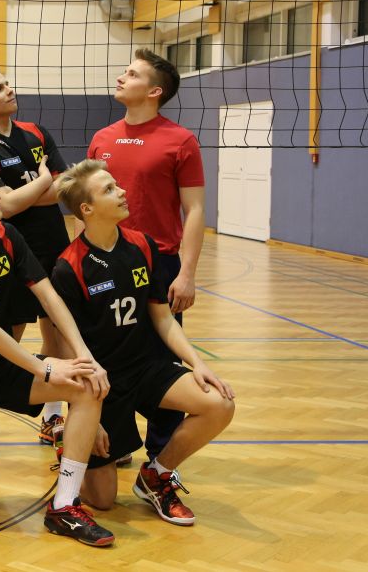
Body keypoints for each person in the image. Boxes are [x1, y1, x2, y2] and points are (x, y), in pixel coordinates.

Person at [0, 165, 115, 547]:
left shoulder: (7, 235)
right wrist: (44, 368)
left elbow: (48, 295)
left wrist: (84, 355)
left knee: (85, 385)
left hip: (3, 366)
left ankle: (64, 506)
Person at [51, 160, 234, 525]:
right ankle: (71, 446)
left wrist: (198, 364)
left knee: (220, 404)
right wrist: (85, 418)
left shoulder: (142, 246)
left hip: (147, 368)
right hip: (103, 385)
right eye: (109, 189)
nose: (122, 192)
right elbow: (69, 350)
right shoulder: (68, 267)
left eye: (117, 185)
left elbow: (163, 318)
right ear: (87, 209)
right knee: (102, 500)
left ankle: (156, 475)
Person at [87, 49, 206, 464]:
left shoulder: (180, 140)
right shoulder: (102, 138)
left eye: (132, 74)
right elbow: (88, 203)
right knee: (105, 352)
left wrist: (187, 273)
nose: (121, 77)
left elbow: (195, 210)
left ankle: (160, 457)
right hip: (105, 260)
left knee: (162, 358)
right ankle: (114, 442)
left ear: (154, 91)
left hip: (159, 263)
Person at [0, 66, 70, 452]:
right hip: (7, 250)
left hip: (54, 244)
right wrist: (43, 180)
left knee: (57, 330)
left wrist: (25, 193)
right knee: (7, 337)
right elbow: (2, 207)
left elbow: (65, 187)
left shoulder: (36, 132)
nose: (9, 91)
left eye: (7, 84)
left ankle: (52, 417)